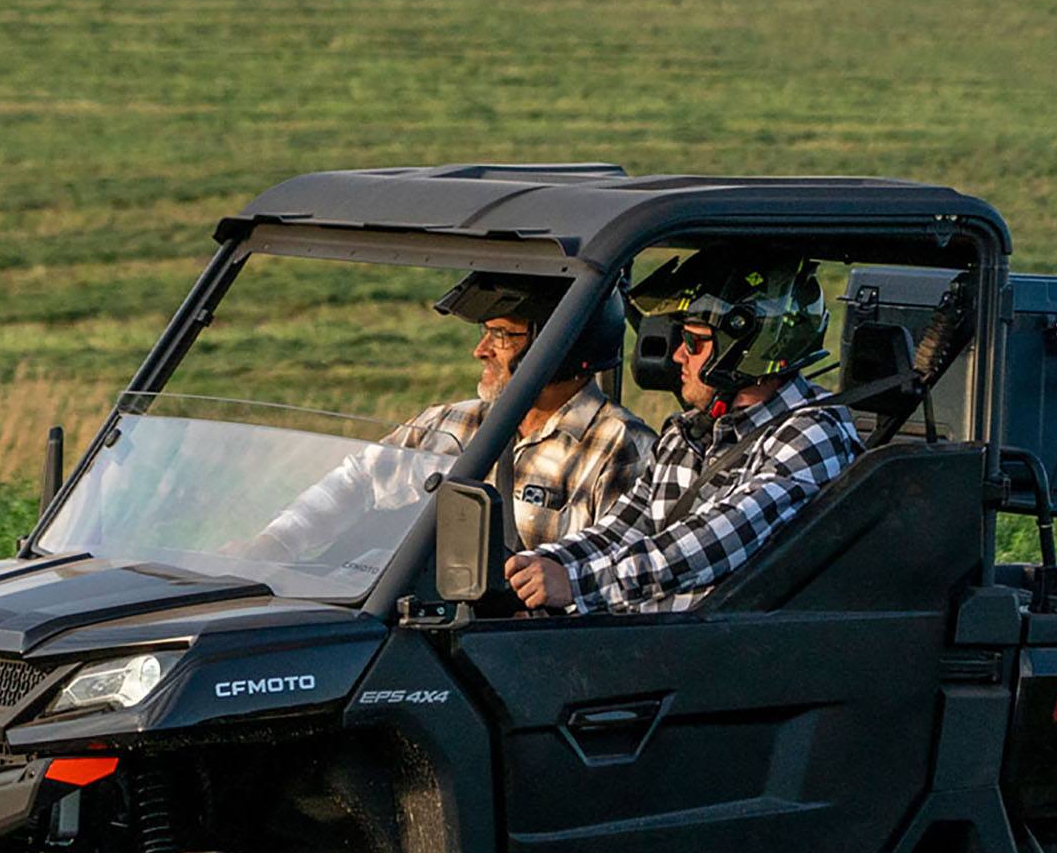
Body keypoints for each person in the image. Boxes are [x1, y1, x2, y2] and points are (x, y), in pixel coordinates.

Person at [505, 248, 861, 614]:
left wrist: (582, 583)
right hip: (656, 646)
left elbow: (718, 539)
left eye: (693, 341)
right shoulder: (686, 434)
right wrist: (535, 566)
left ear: (749, 348)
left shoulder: (814, 434)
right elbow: (620, 529)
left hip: (725, 655)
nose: (677, 355)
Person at [256, 272, 652, 559]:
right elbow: (357, 480)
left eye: (501, 335)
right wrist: (273, 545)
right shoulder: (449, 423)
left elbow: (612, 576)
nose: (480, 350)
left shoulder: (619, 448)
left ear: (563, 345)